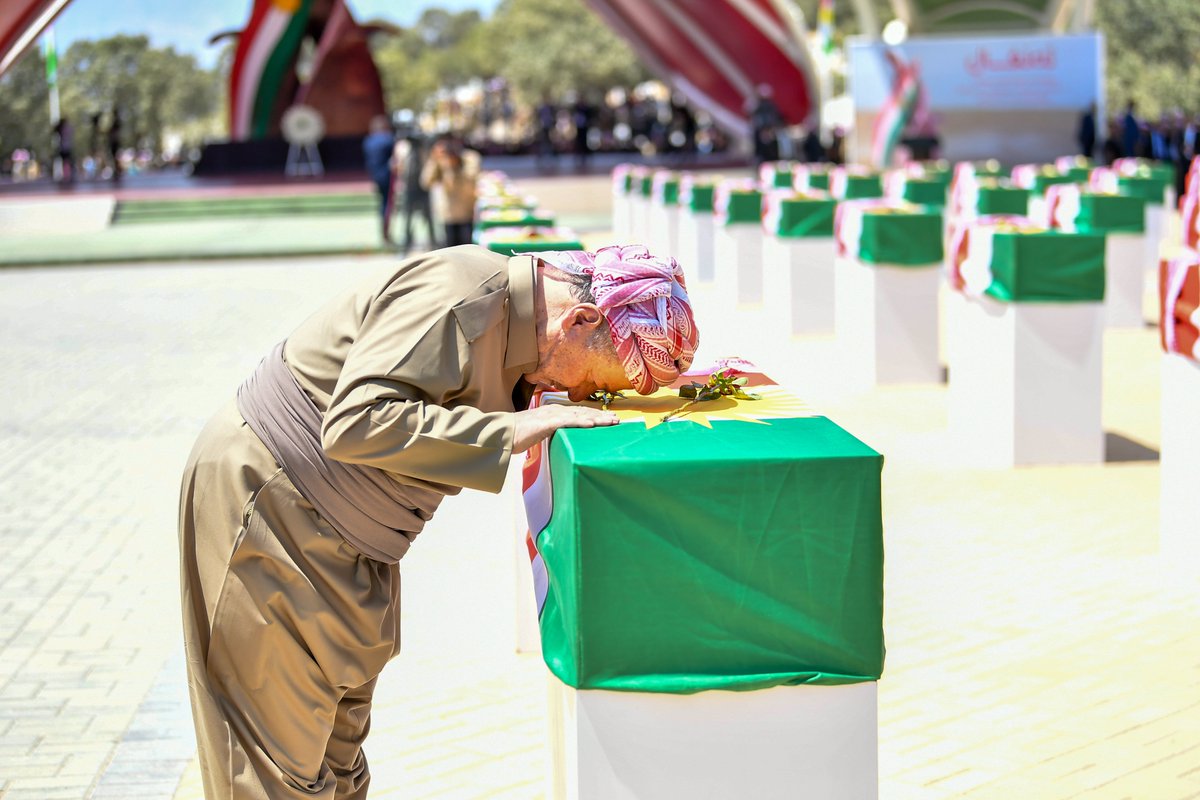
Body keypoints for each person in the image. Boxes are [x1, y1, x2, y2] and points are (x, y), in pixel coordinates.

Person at [178, 243, 699, 799]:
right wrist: (508, 432)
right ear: (581, 318)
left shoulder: (522, 330)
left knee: (337, 758)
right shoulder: (460, 291)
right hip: (274, 504)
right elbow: (355, 422)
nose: (580, 397)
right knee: (271, 773)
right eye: (597, 381)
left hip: (353, 539)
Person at [421, 137, 479, 247]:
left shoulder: (469, 158)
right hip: (448, 214)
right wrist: (435, 160)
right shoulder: (440, 160)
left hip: (466, 212)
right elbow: (426, 182)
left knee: (467, 250)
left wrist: (456, 167)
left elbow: (470, 184)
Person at [392, 136, 435, 254]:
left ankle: (433, 243)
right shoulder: (402, 148)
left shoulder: (425, 148)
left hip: (423, 187)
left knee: (428, 218)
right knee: (408, 218)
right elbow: (397, 166)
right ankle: (406, 244)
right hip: (409, 188)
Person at [361, 115, 396, 245]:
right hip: (387, 176)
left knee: (383, 203)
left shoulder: (368, 141)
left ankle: (384, 233)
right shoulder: (388, 139)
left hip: (375, 176)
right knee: (387, 205)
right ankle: (386, 233)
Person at [747, 84, 783, 167]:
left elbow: (772, 118)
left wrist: (768, 129)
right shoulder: (757, 105)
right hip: (761, 131)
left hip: (767, 131)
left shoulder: (769, 106)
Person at [53, 116, 74, 183]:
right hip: (64, 148)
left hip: (64, 147)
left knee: (66, 162)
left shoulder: (63, 129)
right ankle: (66, 175)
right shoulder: (64, 129)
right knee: (66, 162)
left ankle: (67, 175)